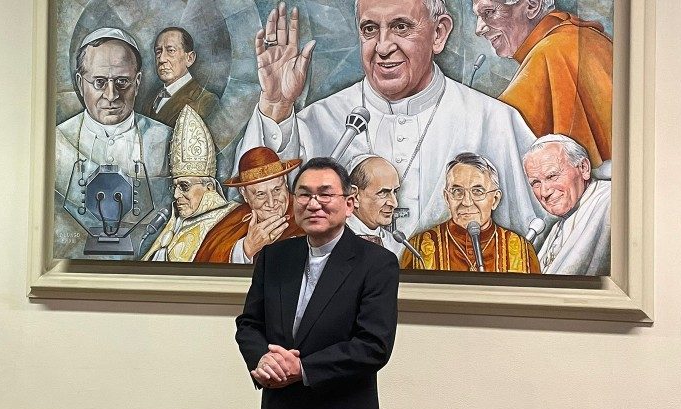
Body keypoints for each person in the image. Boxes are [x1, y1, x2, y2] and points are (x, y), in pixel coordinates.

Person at [233, 0, 544, 242]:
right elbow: (262, 205)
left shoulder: (492, 120)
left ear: (439, 33)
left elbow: (537, 231)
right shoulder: (320, 118)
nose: (382, 47)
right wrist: (276, 105)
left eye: (400, 27)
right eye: (370, 29)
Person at [235, 157, 399, 409]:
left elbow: (373, 344)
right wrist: (263, 360)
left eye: (325, 195)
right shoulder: (273, 257)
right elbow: (249, 324)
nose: (313, 204)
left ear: (348, 204)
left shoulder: (377, 263)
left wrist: (302, 368)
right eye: (304, 195)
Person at [54, 27, 173, 259]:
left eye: (122, 82)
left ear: (137, 82)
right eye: (99, 82)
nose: (111, 95)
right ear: (80, 83)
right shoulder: (57, 142)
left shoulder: (165, 139)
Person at [472, 0, 613, 167]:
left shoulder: (550, 51)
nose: (478, 29)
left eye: (489, 12)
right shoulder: (586, 37)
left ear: (532, 5)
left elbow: (498, 138)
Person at [401, 152, 540, 273]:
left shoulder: (522, 250)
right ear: (447, 198)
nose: (467, 202)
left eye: (477, 192)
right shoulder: (417, 249)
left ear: (495, 199)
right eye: (457, 191)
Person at [141, 106, 238, 261]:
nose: (176, 195)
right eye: (175, 187)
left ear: (209, 188)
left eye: (184, 186)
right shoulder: (176, 222)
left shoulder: (230, 221)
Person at [194, 147, 305, 263]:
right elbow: (205, 267)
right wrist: (247, 248)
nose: (272, 203)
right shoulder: (235, 219)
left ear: (285, 182)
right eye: (261, 194)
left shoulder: (306, 213)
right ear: (244, 193)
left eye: (277, 190)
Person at [522, 134, 611, 275]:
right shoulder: (558, 226)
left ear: (584, 168)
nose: (544, 192)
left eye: (552, 176)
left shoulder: (610, 202)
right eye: (535, 183)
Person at [142, 27, 219, 128]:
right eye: (158, 52)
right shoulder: (150, 98)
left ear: (190, 58)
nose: (161, 59)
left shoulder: (206, 101)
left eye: (171, 50)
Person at [346, 154, 401, 255]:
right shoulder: (330, 240)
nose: (394, 203)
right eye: (383, 193)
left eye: (395, 192)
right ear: (355, 196)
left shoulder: (396, 244)